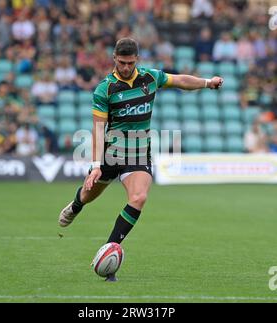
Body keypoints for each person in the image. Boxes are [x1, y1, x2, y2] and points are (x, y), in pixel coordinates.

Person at [58, 38, 223, 281]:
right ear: (114, 58)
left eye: (130, 63)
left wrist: (208, 82)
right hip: (110, 153)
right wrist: (94, 166)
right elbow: (97, 129)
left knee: (139, 197)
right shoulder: (105, 89)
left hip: (138, 152)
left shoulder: (150, 77)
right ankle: (76, 205)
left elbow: (180, 80)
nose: (125, 67)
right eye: (122, 62)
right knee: (88, 194)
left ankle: (110, 248)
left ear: (137, 59)